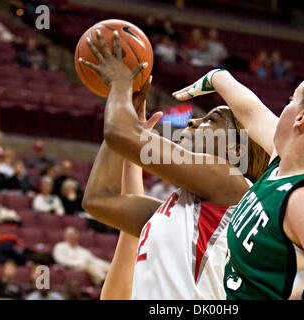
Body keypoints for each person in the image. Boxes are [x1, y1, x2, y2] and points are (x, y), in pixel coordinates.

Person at [79, 31, 270, 299]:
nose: (193, 122)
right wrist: (128, 118)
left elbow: (118, 133)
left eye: (211, 121)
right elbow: (99, 200)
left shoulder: (231, 183)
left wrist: (121, 85)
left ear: (235, 149)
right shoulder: (177, 212)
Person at [173, 68, 304, 299]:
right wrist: (216, 77)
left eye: (291, 99)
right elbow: (251, 111)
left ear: (301, 118)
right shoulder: (287, 163)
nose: (284, 107)